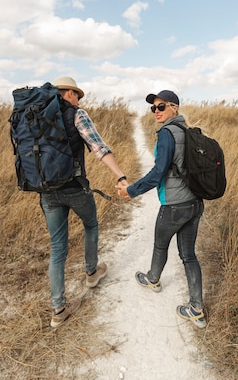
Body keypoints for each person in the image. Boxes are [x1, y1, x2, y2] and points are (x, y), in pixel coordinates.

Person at [42, 77, 128, 328]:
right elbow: (99, 147)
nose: (79, 100)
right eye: (77, 95)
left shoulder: (34, 118)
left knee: (58, 248)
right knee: (90, 225)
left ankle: (58, 309)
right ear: (69, 93)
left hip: (46, 191)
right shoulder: (76, 114)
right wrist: (120, 176)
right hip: (75, 188)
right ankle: (92, 272)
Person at [116, 90, 207, 329]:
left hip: (174, 205)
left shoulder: (167, 133)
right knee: (188, 255)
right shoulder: (189, 132)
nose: (156, 111)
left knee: (160, 244)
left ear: (174, 108)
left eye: (161, 107)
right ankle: (196, 309)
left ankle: (153, 280)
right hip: (195, 203)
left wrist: (131, 190)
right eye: (153, 108)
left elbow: (158, 174)